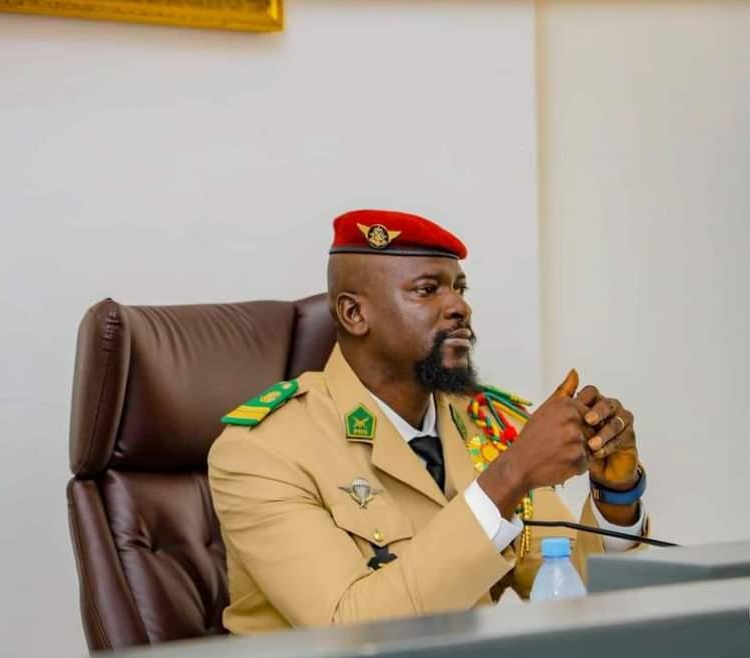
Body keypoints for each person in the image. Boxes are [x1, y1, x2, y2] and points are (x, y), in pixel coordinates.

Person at [208, 209, 650, 634]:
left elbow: (570, 599)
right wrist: (510, 475)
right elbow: (347, 629)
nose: (459, 306)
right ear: (354, 314)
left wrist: (616, 498)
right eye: (427, 290)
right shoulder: (263, 450)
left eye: (460, 288)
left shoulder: (485, 425)